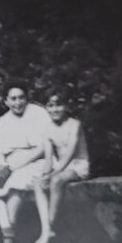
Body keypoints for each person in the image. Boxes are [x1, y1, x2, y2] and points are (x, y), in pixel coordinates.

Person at [0, 85, 54, 243]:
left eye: (21, 97)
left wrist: (19, 163)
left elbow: (44, 146)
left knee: (15, 187)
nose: (18, 102)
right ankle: (8, 232)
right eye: (13, 99)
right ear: (6, 101)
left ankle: (8, 242)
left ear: (27, 98)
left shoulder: (38, 113)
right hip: (11, 163)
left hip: (37, 159)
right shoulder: (2, 121)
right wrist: (3, 166)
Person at [45, 91, 91, 233]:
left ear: (65, 106)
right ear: (46, 108)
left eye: (59, 105)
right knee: (38, 182)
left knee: (57, 180)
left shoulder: (74, 125)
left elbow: (71, 153)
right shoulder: (47, 128)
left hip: (77, 166)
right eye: (51, 106)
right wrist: (45, 173)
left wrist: (55, 173)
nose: (55, 109)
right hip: (61, 167)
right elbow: (48, 157)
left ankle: (48, 228)